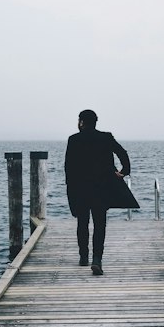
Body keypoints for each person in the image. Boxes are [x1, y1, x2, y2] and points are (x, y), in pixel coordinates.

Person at [64, 109, 137, 274]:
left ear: (81, 122)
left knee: (82, 223)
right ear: (95, 122)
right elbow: (122, 153)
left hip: (81, 189)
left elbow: (68, 168)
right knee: (99, 224)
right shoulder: (106, 137)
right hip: (102, 189)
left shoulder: (73, 140)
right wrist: (124, 171)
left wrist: (71, 192)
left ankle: (83, 257)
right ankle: (97, 259)